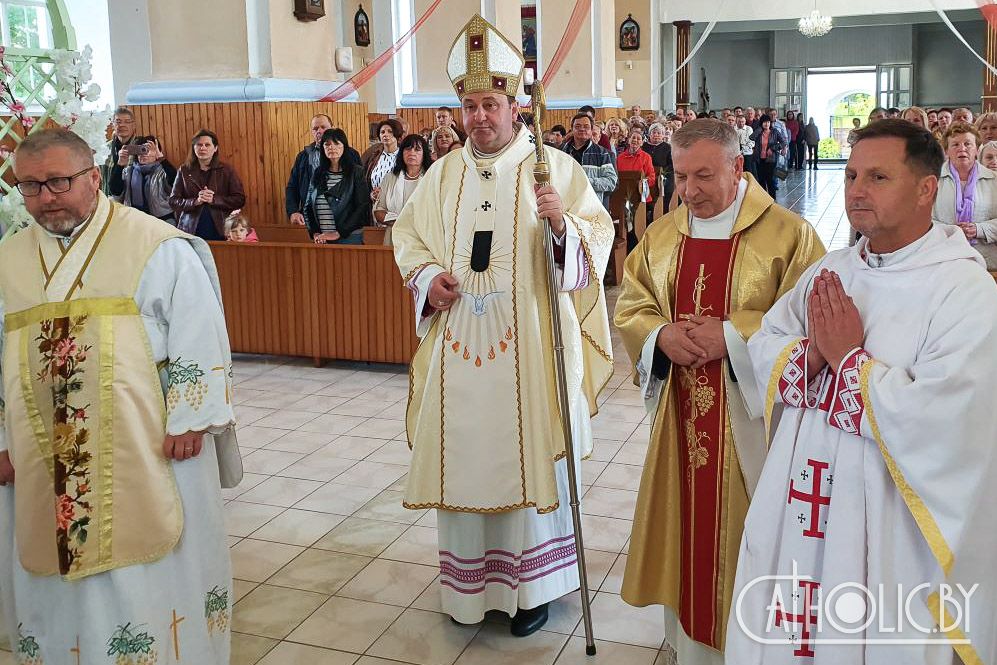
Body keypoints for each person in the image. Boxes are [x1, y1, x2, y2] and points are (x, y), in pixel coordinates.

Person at [727, 118, 997, 665]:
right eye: (851, 176)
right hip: (803, 496)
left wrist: (849, 360)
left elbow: (951, 415)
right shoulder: (832, 270)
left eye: (878, 177)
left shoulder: (963, 289)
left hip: (891, 520)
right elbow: (770, 340)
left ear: (926, 189)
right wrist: (811, 356)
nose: (856, 190)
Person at [391, 14, 614, 637]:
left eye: (490, 104)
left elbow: (598, 239)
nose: (479, 117)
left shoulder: (554, 169)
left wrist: (563, 225)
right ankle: (472, 592)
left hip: (532, 352)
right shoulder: (442, 175)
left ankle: (533, 590)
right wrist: (427, 279)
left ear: (516, 106)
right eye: (470, 106)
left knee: (530, 454)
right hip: (461, 349)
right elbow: (408, 237)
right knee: (465, 458)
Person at [0, 128, 242, 664]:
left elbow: (198, 328)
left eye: (58, 182)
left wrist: (192, 417)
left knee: (150, 567)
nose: (45, 197)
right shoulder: (8, 260)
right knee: (54, 564)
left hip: (149, 442)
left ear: (93, 177)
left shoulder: (156, 246)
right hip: (40, 452)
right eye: (30, 186)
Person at [614, 118, 825, 665]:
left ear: (738, 167)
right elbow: (633, 304)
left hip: (755, 425)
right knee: (687, 526)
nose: (689, 191)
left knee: (750, 527)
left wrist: (732, 336)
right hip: (678, 416)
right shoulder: (663, 235)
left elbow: (813, 324)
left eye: (703, 176)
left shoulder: (789, 236)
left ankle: (755, 646)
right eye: (681, 176)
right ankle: (690, 644)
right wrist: (660, 336)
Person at [932, 122, 997, 270]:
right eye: (955, 144)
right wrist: (950, 230)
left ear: (977, 149)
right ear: (946, 151)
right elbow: (920, 220)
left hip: (988, 263)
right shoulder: (932, 180)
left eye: (968, 144)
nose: (962, 148)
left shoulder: (995, 180)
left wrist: (979, 229)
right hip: (943, 260)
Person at [169, 129, 246, 241]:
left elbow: (240, 199)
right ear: (194, 148)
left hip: (221, 229)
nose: (203, 148)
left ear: (215, 148)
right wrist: (195, 201)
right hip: (190, 229)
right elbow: (173, 201)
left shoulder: (226, 170)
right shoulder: (184, 170)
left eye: (207, 145)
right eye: (199, 145)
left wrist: (214, 200)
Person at [286, 113, 361, 227]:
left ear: (332, 128)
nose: (319, 131)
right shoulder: (303, 157)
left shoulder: (351, 154)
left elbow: (359, 188)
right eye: (315, 129)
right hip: (311, 219)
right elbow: (292, 187)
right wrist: (293, 211)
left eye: (323, 127)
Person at [303, 128, 370, 245]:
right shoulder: (318, 172)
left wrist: (339, 233)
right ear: (323, 148)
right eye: (327, 144)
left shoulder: (356, 172)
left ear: (344, 147)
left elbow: (362, 207)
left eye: (336, 143)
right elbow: (308, 206)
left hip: (349, 237)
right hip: (322, 239)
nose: (332, 147)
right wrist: (315, 232)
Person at [374, 133, 431, 244]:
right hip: (395, 236)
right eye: (408, 149)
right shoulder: (390, 177)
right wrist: (401, 222)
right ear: (402, 153)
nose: (412, 153)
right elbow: (378, 211)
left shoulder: (431, 177)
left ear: (424, 154)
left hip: (423, 237)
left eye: (417, 150)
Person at [562, 112, 618, 209]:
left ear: (591, 130)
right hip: (567, 206)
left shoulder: (602, 153)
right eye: (578, 126)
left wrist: (585, 181)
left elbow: (611, 182)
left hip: (592, 207)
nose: (582, 129)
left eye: (586, 126)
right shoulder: (561, 152)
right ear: (572, 129)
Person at [119, 135, 177, 222]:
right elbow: (115, 191)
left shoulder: (163, 171)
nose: (144, 154)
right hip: (135, 219)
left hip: (162, 220)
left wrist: (161, 158)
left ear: (157, 152)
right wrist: (119, 165)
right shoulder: (128, 171)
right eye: (141, 149)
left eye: (148, 149)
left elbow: (175, 183)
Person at [100, 106, 140, 198]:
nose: (122, 125)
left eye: (127, 121)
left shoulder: (140, 147)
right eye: (118, 122)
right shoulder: (104, 149)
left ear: (133, 125)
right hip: (109, 199)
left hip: (133, 201)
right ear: (113, 125)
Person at [363, 119, 403, 207]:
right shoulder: (373, 156)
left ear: (397, 134)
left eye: (390, 131)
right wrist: (371, 194)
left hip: (397, 205)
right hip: (375, 205)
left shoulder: (403, 156)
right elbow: (366, 182)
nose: (385, 134)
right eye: (382, 132)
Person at [643, 122, 674, 220]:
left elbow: (671, 165)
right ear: (649, 134)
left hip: (663, 176)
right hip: (646, 176)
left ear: (663, 135)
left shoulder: (667, 147)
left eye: (659, 133)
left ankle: (662, 214)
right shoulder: (644, 146)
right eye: (654, 132)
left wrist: (662, 173)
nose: (656, 135)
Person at [752, 115, 784, 197]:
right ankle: (764, 198)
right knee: (761, 180)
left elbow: (783, 142)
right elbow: (751, 137)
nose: (767, 124)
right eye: (764, 122)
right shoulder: (759, 132)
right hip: (759, 159)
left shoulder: (775, 132)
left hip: (771, 159)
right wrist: (759, 129)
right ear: (761, 123)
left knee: (770, 180)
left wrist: (773, 148)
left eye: (768, 122)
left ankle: (772, 198)